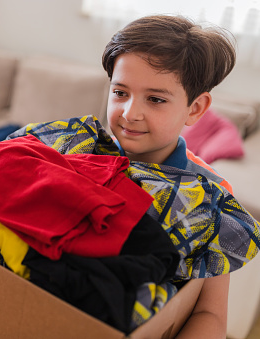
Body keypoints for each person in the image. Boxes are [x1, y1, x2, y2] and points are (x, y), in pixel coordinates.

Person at [101, 15, 237, 338]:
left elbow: (210, 313)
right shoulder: (82, 155)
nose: (130, 113)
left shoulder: (212, 196)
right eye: (120, 93)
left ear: (195, 108)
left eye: (156, 99)